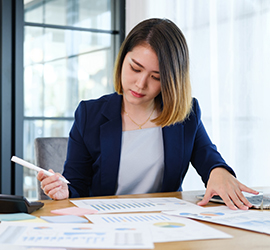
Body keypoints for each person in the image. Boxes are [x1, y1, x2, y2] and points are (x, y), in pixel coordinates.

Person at [37, 18, 258, 210]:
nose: (140, 84)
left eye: (156, 77)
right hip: (105, 224)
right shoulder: (90, 114)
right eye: (135, 68)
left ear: (171, 81)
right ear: (123, 58)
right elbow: (76, 186)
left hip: (162, 224)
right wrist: (64, 191)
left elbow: (209, 159)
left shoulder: (185, 115)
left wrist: (218, 171)